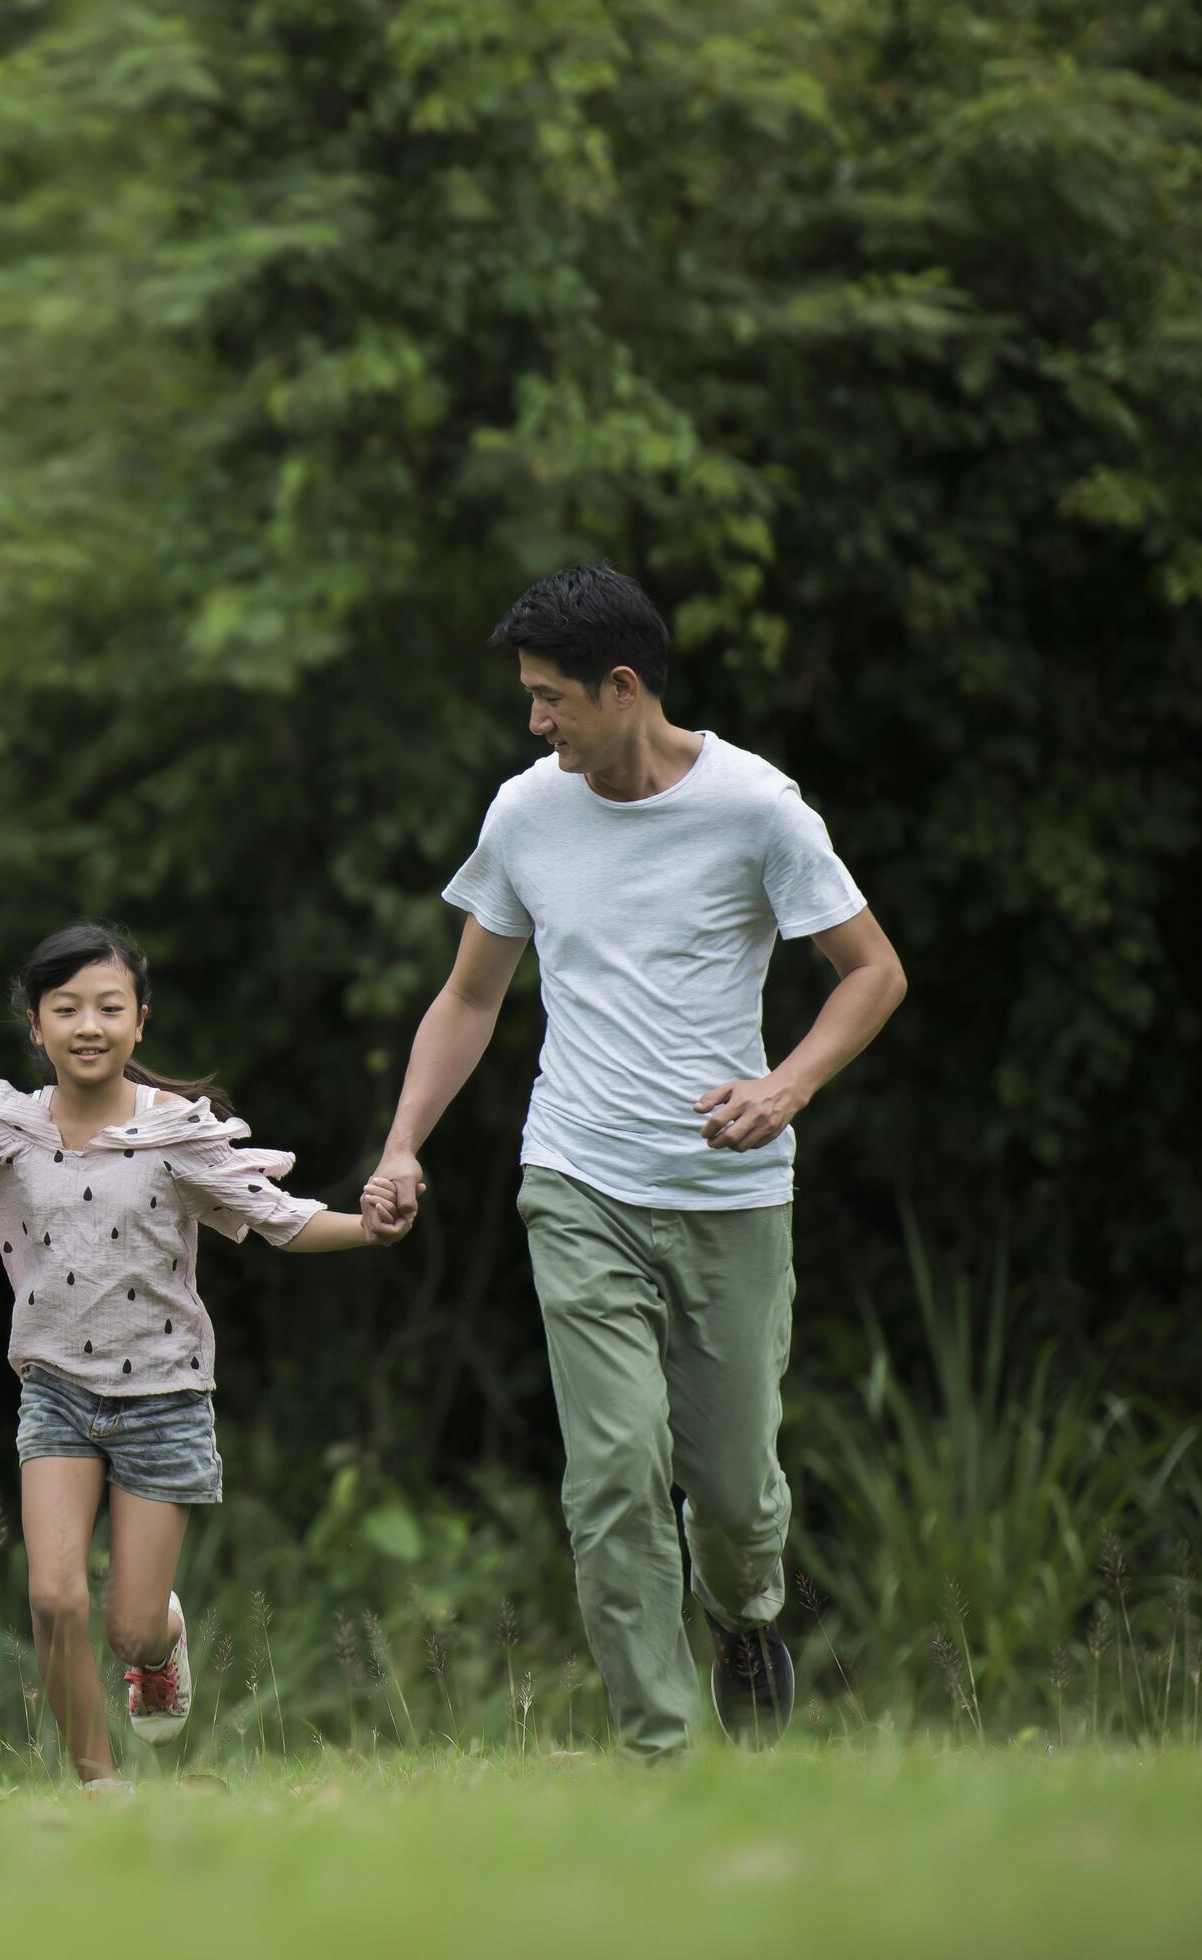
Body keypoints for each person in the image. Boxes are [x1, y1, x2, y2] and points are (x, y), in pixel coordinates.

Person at [363, 564, 906, 1759]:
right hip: (577, 1178)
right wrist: (403, 1143)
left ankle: (749, 1614)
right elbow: (469, 997)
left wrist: (787, 1083)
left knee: (733, 1492)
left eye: (552, 697)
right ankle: (663, 1759)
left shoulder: (759, 807)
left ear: (623, 688)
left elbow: (872, 970)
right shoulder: (525, 813)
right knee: (611, 1473)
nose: (534, 720)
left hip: (729, 1196)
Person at [0, 920, 404, 1790]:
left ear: (140, 1022)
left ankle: (158, 1643)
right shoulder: (2, 1129)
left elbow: (281, 1221)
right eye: (65, 1008)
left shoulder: (178, 1135)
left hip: (165, 1398)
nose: (88, 1025)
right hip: (56, 1392)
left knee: (127, 1628)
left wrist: (367, 1228)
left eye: (109, 1006)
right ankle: (98, 1789)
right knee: (53, 1598)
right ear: (36, 1026)